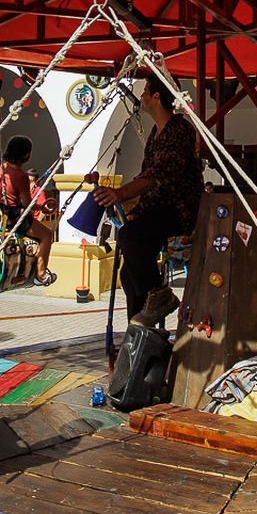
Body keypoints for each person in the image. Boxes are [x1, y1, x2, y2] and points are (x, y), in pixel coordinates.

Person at [92, 74, 203, 327]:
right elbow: (148, 176)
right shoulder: (156, 132)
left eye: (145, 91)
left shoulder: (180, 129)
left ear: (156, 96)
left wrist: (121, 194)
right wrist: (131, 206)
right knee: (128, 271)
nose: (140, 96)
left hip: (178, 210)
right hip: (158, 209)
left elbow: (159, 174)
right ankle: (139, 329)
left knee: (130, 236)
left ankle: (160, 296)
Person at [0, 136, 56, 285]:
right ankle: (41, 274)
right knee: (47, 235)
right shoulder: (21, 176)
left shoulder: (1, 168)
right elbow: (27, 204)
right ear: (26, 154)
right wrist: (42, 207)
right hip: (12, 216)